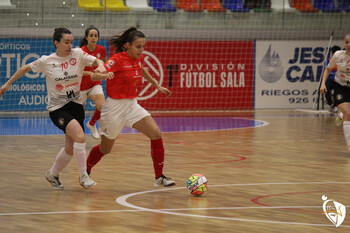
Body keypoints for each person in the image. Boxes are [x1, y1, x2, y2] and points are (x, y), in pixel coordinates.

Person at [0, 27, 106, 189]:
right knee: (80, 137)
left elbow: (97, 60)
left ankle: (52, 174)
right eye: (66, 42)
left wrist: (101, 65)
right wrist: (7, 85)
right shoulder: (47, 60)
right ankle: (84, 177)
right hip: (58, 109)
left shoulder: (78, 54)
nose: (70, 45)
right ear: (57, 43)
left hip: (76, 106)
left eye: (71, 42)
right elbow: (24, 69)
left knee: (70, 149)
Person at [86, 27, 176, 187]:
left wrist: (158, 86)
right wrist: (102, 73)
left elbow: (142, 70)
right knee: (105, 149)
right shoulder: (117, 60)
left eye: (143, 46)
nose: (141, 50)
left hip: (132, 105)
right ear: (128, 45)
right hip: (114, 108)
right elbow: (94, 75)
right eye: (138, 46)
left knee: (156, 134)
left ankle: (159, 177)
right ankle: (85, 172)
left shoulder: (138, 59)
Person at [320, 34, 350, 151]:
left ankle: (341, 115)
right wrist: (323, 84)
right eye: (347, 42)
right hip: (341, 86)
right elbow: (327, 69)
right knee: (348, 113)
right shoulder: (338, 55)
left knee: (347, 114)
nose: (349, 45)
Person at [80, 25, 107, 139]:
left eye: (95, 36)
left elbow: (105, 65)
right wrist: (90, 74)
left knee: (102, 106)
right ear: (86, 37)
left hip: (95, 84)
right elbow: (77, 72)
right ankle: (79, 135)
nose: (93, 38)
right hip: (81, 86)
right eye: (91, 35)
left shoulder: (101, 50)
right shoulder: (81, 52)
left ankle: (92, 124)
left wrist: (103, 74)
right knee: (79, 114)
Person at [324, 45, 341, 113]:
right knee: (325, 89)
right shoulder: (328, 61)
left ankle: (335, 105)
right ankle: (330, 103)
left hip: (338, 80)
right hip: (330, 80)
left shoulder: (342, 60)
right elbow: (327, 69)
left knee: (337, 91)